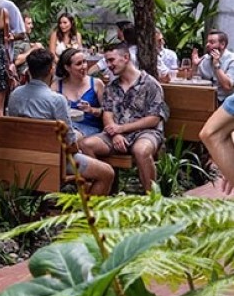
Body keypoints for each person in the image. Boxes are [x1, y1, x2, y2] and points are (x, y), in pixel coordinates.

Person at [9, 49, 114, 195]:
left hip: (23, 155)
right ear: (51, 69)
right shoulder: (56, 99)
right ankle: (86, 215)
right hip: (55, 159)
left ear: (29, 70)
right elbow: (70, 140)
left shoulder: (15, 94)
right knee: (107, 173)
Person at [80, 43, 166, 192]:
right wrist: (116, 133)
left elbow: (154, 119)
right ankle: (100, 192)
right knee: (87, 144)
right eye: (107, 61)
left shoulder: (151, 84)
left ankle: (152, 199)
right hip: (116, 133)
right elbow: (107, 115)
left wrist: (121, 128)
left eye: (111, 60)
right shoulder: (112, 87)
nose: (109, 65)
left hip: (146, 132)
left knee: (141, 151)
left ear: (126, 58)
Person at [55, 47, 104, 138]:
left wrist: (91, 110)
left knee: (68, 136)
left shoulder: (96, 83)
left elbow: (107, 111)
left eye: (84, 62)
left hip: (90, 127)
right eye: (79, 64)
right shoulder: (57, 86)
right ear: (67, 67)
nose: (84, 66)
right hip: (66, 126)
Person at [194, 29, 234, 103]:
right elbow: (194, 81)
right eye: (207, 42)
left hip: (226, 102)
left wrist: (216, 65)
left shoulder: (232, 60)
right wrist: (195, 66)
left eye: (211, 42)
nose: (207, 45)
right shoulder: (205, 58)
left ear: (222, 45)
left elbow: (228, 86)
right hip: (205, 100)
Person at [12, 13, 43, 83]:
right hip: (22, 78)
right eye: (29, 24)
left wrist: (31, 45)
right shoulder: (17, 38)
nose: (31, 26)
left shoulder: (24, 36)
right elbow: (16, 61)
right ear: (21, 24)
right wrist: (33, 49)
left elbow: (23, 47)